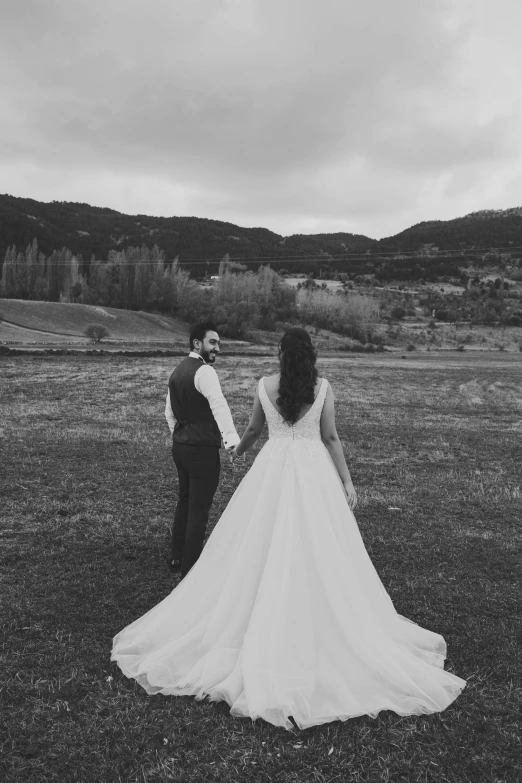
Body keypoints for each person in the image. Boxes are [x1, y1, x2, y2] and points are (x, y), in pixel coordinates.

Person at [112, 327, 466, 730]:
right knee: (321, 546)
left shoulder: (264, 385)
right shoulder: (324, 388)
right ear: (310, 355)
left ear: (280, 353)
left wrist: (239, 453)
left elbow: (253, 431)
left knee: (257, 541)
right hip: (313, 471)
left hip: (273, 469)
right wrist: (347, 482)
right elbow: (330, 438)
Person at [164, 321, 240, 579]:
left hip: (181, 446)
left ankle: (176, 556)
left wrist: (179, 433)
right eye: (213, 342)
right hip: (201, 450)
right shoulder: (204, 372)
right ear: (197, 343)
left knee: (184, 500)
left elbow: (169, 412)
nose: (217, 347)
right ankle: (191, 569)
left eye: (218, 343)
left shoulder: (177, 371)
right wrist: (231, 441)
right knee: (199, 509)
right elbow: (219, 406)